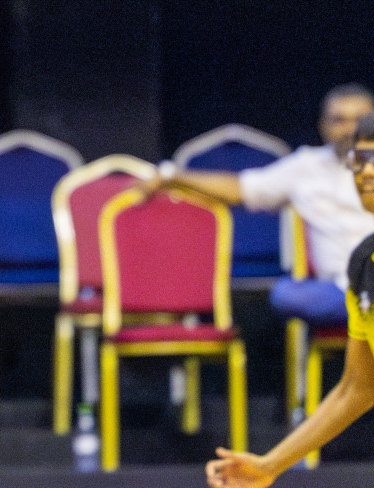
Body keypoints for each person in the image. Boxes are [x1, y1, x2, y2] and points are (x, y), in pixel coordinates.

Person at [205, 112, 374, 486]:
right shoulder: (364, 264)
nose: (367, 172)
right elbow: (358, 388)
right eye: (360, 161)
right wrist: (271, 464)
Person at [147, 84, 374, 327]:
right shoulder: (305, 167)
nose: (350, 129)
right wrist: (172, 176)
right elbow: (240, 189)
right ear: (323, 126)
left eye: (359, 120)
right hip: (337, 291)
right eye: (339, 120)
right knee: (286, 294)